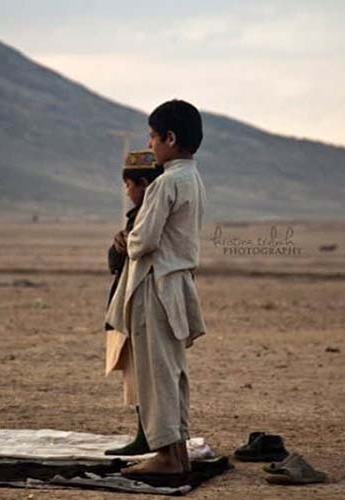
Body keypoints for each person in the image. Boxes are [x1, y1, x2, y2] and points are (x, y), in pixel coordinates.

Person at [105, 99, 207, 475]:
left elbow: (143, 240)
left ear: (170, 137)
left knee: (155, 373)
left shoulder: (165, 183)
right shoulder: (193, 179)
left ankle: (166, 456)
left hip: (155, 285)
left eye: (152, 136)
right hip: (178, 285)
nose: (150, 145)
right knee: (173, 370)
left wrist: (126, 241)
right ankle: (176, 453)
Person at [104, 150, 163, 456]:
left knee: (142, 373)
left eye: (129, 186)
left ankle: (148, 437)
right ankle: (145, 434)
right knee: (135, 372)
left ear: (141, 184)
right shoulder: (136, 217)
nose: (127, 193)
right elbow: (115, 260)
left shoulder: (149, 215)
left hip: (141, 298)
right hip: (129, 296)